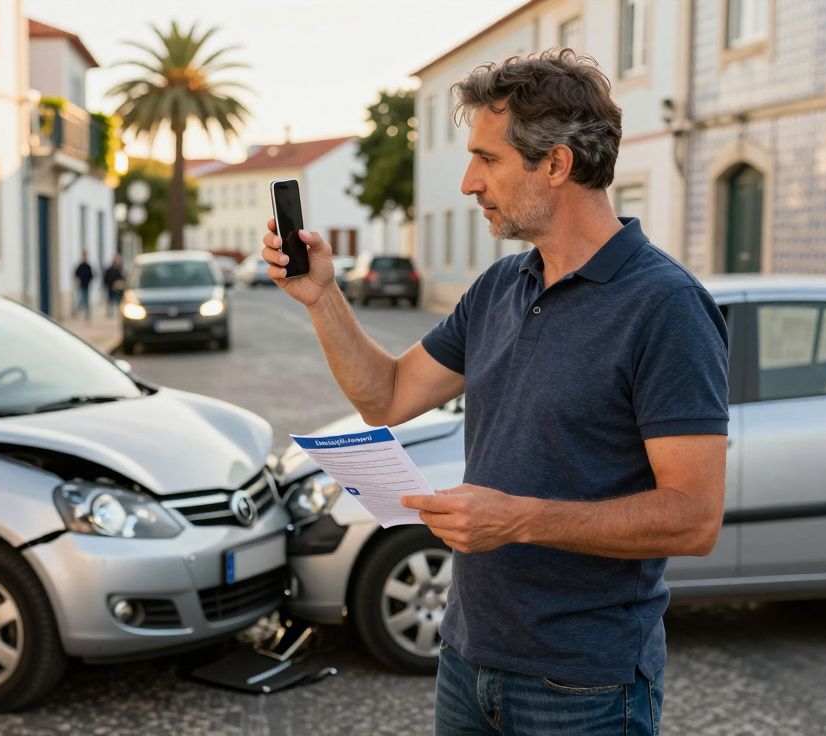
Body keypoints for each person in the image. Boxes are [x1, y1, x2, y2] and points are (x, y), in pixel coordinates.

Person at [260, 50, 728, 735]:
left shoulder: (667, 307)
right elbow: (386, 398)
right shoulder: (501, 288)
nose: (469, 182)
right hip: (468, 659)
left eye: (488, 159)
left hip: (585, 685)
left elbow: (694, 518)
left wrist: (519, 519)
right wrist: (321, 296)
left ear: (557, 165)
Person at [73, 250, 94, 322]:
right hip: (81, 286)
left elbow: (91, 276)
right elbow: (76, 275)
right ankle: (78, 313)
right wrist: (77, 281)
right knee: (80, 300)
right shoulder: (80, 266)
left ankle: (87, 314)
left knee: (86, 300)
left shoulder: (88, 266)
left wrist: (89, 281)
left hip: (87, 286)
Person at [102, 254, 125, 318]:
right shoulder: (109, 269)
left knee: (118, 301)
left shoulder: (120, 269)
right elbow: (106, 278)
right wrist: (109, 285)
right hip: (110, 288)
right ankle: (110, 313)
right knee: (110, 301)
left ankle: (119, 312)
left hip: (118, 289)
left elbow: (122, 278)